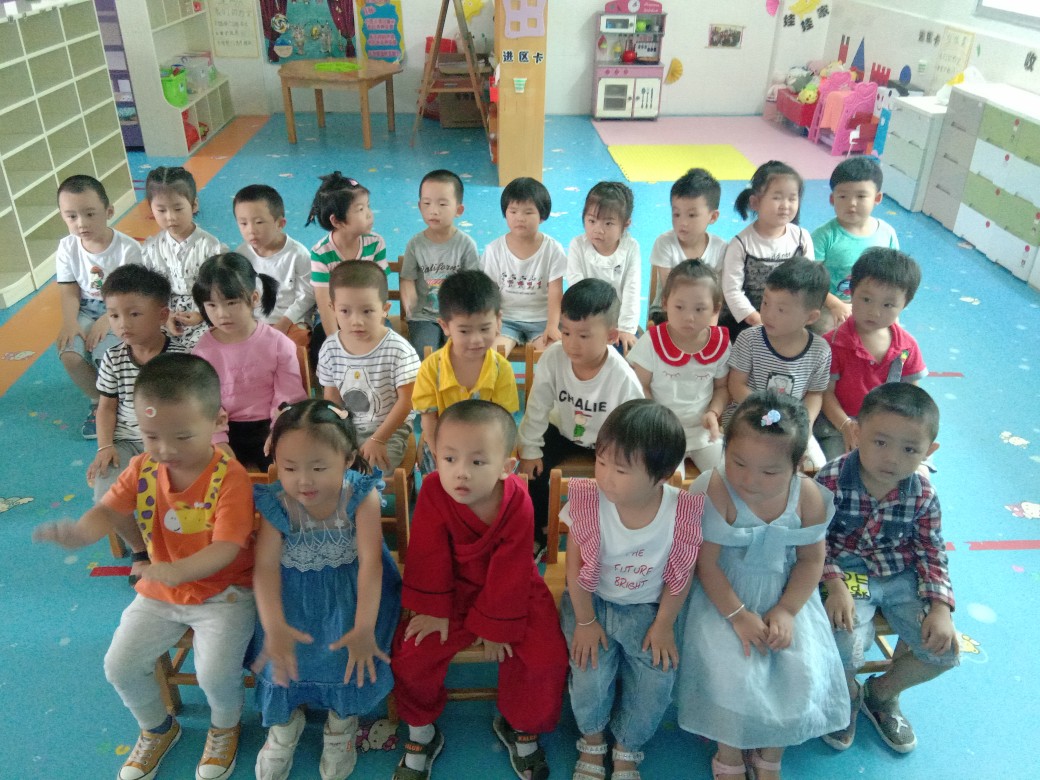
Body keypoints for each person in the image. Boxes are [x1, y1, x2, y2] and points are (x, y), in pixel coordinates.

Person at [34, 353, 257, 780]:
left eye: (182, 436)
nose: (165, 450)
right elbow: (107, 510)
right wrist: (80, 533)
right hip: (161, 592)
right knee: (119, 665)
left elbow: (227, 548)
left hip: (225, 594)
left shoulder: (231, 477)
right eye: (151, 435)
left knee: (215, 675)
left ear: (217, 421)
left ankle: (225, 726)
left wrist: (177, 570)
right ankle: (158, 728)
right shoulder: (143, 466)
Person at [390, 401, 568, 780]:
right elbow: (428, 555)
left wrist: (495, 626)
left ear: (507, 466)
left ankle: (519, 724)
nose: (461, 472)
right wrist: (433, 610)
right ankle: (422, 731)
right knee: (411, 653)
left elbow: (512, 568)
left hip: (513, 592)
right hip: (449, 591)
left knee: (545, 657)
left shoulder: (517, 500)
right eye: (449, 458)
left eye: (477, 461)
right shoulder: (434, 490)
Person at [677, 391, 848, 780]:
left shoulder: (807, 496)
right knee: (730, 670)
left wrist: (787, 610)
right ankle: (729, 752)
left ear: (797, 465)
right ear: (724, 449)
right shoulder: (714, 488)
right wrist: (738, 616)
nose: (749, 479)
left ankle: (771, 753)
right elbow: (706, 564)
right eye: (737, 462)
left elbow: (811, 560)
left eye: (769, 472)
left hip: (785, 593)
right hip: (723, 595)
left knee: (801, 668)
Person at [250, 399, 401, 780]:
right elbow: (265, 567)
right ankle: (284, 724)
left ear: (348, 459)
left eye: (318, 468)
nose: (304, 481)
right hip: (294, 593)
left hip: (353, 591)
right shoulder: (277, 502)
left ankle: (341, 723)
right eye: (289, 468)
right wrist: (274, 626)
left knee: (346, 649)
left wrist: (364, 627)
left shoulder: (360, 495)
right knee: (279, 652)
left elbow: (370, 564)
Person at [561, 399, 704, 780]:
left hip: (649, 611)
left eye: (621, 470)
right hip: (591, 603)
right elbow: (574, 568)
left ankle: (627, 746)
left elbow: (681, 575)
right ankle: (592, 739)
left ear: (663, 476)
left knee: (658, 680)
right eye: (601, 461)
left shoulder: (681, 512)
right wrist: (585, 621)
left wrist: (664, 625)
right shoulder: (589, 501)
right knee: (589, 675)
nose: (605, 477)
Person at [816, 383, 957, 755]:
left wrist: (940, 607)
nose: (892, 458)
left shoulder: (923, 494)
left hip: (900, 577)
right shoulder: (831, 479)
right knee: (842, 641)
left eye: (909, 449)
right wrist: (834, 584)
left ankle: (880, 694)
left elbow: (931, 551)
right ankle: (847, 693)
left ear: (929, 451)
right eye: (880, 442)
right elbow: (812, 539)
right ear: (856, 432)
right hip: (846, 571)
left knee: (945, 651)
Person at [517, 279, 645, 548]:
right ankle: (539, 528)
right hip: (563, 430)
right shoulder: (553, 358)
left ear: (611, 336)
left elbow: (634, 427)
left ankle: (611, 531)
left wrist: (616, 462)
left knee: (623, 478)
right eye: (566, 333)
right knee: (530, 469)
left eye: (584, 336)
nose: (572, 344)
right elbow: (537, 407)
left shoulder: (623, 377)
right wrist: (530, 450)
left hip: (607, 439)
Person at [192, 253, 307, 470]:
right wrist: (218, 439)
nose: (222, 313)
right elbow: (204, 402)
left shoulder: (278, 343)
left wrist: (278, 431)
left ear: (254, 298)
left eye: (231, 303)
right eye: (212, 305)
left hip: (271, 425)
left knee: (290, 469)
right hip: (223, 428)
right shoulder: (202, 352)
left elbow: (289, 396)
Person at [816, 248, 926, 461]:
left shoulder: (907, 347)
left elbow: (913, 396)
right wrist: (846, 426)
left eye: (888, 305)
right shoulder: (833, 343)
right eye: (866, 299)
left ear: (905, 304)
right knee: (836, 467)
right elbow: (826, 393)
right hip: (838, 425)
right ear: (851, 292)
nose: (874, 312)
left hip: (888, 429)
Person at [55, 174, 143, 438]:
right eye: (71, 216)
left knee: (105, 353)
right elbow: (69, 289)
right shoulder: (67, 247)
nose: (81, 223)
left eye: (90, 214)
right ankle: (100, 401)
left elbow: (131, 294)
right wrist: (70, 322)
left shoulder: (128, 248)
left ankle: (122, 402)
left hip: (120, 309)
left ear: (109, 212)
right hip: (85, 308)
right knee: (69, 352)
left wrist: (108, 319)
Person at [89, 264, 184, 504]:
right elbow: (106, 408)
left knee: (172, 499)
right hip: (126, 442)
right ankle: (129, 534)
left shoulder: (181, 359)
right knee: (107, 499)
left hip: (170, 442)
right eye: (114, 316)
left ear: (162, 315)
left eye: (134, 314)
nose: (123, 324)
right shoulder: (113, 358)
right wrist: (104, 447)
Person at [727, 257, 831, 469]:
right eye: (765, 303)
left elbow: (815, 394)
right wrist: (767, 413)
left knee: (817, 469)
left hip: (791, 425)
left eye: (781, 310)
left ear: (811, 317)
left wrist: (805, 425)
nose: (768, 314)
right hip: (749, 417)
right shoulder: (749, 339)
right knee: (753, 463)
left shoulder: (820, 350)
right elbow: (736, 385)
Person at [411, 269, 519, 473]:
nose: (476, 340)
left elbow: (503, 422)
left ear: (498, 321)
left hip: (486, 446)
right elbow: (429, 421)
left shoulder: (501, 369)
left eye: (484, 329)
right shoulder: (431, 368)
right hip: (443, 447)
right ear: (445, 326)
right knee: (435, 483)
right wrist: (441, 456)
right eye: (464, 331)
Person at [629, 260, 730, 475]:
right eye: (679, 307)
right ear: (665, 303)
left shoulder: (720, 343)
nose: (689, 317)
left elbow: (722, 388)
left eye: (700, 309)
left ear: (716, 308)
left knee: (726, 476)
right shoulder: (652, 341)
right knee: (666, 483)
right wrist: (658, 422)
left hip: (703, 433)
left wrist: (713, 413)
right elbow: (641, 386)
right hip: (662, 434)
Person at [317, 261, 420, 473]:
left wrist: (378, 439)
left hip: (389, 430)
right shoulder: (330, 348)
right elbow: (332, 399)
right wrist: (333, 434)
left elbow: (407, 401)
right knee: (319, 465)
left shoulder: (399, 350)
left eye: (367, 311)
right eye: (345, 311)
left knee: (368, 472)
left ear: (384, 310)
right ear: (332, 308)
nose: (356, 321)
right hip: (347, 428)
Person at [719, 160, 813, 340]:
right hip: (751, 319)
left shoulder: (802, 238)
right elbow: (732, 291)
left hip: (791, 318)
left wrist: (794, 319)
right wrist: (757, 320)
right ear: (755, 202)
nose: (785, 205)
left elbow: (808, 283)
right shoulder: (741, 244)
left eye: (792, 198)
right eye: (777, 197)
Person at [142, 166, 227, 350]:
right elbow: (151, 291)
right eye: (161, 210)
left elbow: (218, 289)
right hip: (166, 313)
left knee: (203, 349)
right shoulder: (150, 248)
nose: (171, 217)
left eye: (178, 208)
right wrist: (166, 316)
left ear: (194, 205)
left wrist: (201, 314)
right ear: (151, 209)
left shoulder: (210, 246)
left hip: (205, 310)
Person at [812, 156, 899, 332]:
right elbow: (810, 281)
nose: (851, 204)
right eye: (843, 196)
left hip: (875, 303)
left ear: (877, 198)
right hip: (831, 303)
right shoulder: (823, 236)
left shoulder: (886, 233)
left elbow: (894, 278)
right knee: (830, 333)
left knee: (893, 334)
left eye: (861, 196)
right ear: (832, 199)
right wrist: (834, 304)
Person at [481, 176, 566, 353]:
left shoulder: (553, 249)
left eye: (528, 213)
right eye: (513, 211)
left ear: (542, 216)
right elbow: (489, 290)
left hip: (542, 320)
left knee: (555, 356)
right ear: (505, 213)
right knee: (491, 357)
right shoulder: (494, 249)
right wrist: (492, 319)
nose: (519, 218)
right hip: (506, 319)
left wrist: (552, 325)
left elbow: (556, 292)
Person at [400, 169, 480, 357]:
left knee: (461, 354)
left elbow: (473, 284)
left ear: (458, 210)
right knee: (424, 353)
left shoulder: (466, 244)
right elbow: (407, 278)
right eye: (427, 203)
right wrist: (409, 298)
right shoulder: (415, 244)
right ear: (420, 206)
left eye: (442, 204)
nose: (433, 210)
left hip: (457, 316)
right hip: (423, 317)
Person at [306, 172, 388, 343]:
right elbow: (324, 304)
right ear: (337, 221)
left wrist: (376, 331)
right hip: (335, 316)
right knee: (321, 343)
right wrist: (336, 345)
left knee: (385, 339)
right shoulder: (321, 253)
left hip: (368, 312)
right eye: (360, 209)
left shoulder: (375, 243)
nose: (369, 214)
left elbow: (381, 290)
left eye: (368, 206)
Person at [233, 184, 316, 349]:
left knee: (295, 347)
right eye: (243, 223)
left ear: (280, 223)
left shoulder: (298, 254)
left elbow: (307, 295)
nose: (251, 230)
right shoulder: (241, 254)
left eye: (259, 222)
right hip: (254, 321)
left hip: (291, 321)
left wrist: (283, 324)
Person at [566, 181, 642, 352]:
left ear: (625, 224)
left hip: (618, 323)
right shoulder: (578, 245)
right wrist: (589, 326)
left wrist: (626, 329)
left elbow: (632, 289)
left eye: (608, 224)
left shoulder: (630, 247)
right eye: (591, 221)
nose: (598, 229)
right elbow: (576, 288)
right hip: (584, 320)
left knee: (629, 352)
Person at [648, 168, 726, 325]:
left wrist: (711, 330)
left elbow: (717, 297)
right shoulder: (665, 243)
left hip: (705, 312)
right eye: (676, 214)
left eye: (691, 215)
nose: (682, 222)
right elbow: (671, 294)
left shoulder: (720, 248)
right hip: (668, 310)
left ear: (713, 216)